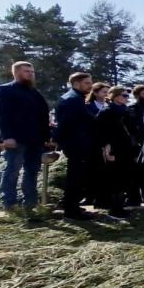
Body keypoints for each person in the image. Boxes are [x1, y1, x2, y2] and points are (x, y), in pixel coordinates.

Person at [0, 61, 50, 216]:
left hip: (35, 140)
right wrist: (7, 137)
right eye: (27, 71)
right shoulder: (5, 90)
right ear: (16, 72)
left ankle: (30, 204)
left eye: (32, 71)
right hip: (16, 139)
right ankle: (10, 204)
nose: (31, 74)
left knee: (31, 172)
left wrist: (47, 137)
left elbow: (43, 116)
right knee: (12, 170)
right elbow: (2, 115)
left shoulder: (34, 93)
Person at [54, 72, 95, 220]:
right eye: (87, 83)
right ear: (77, 83)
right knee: (75, 177)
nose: (90, 86)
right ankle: (71, 211)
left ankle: (72, 206)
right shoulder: (73, 100)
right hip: (76, 143)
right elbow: (68, 123)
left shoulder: (72, 98)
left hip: (75, 142)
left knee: (76, 176)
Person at [95, 86, 135, 218]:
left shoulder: (124, 110)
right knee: (116, 179)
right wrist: (107, 149)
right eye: (124, 95)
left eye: (127, 96)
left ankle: (120, 206)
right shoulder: (108, 110)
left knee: (123, 177)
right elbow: (102, 132)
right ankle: (116, 208)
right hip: (114, 149)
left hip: (125, 148)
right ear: (115, 96)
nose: (127, 98)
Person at [125, 85, 144, 206]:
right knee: (135, 172)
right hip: (136, 144)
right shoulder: (131, 108)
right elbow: (131, 128)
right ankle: (133, 197)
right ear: (137, 95)